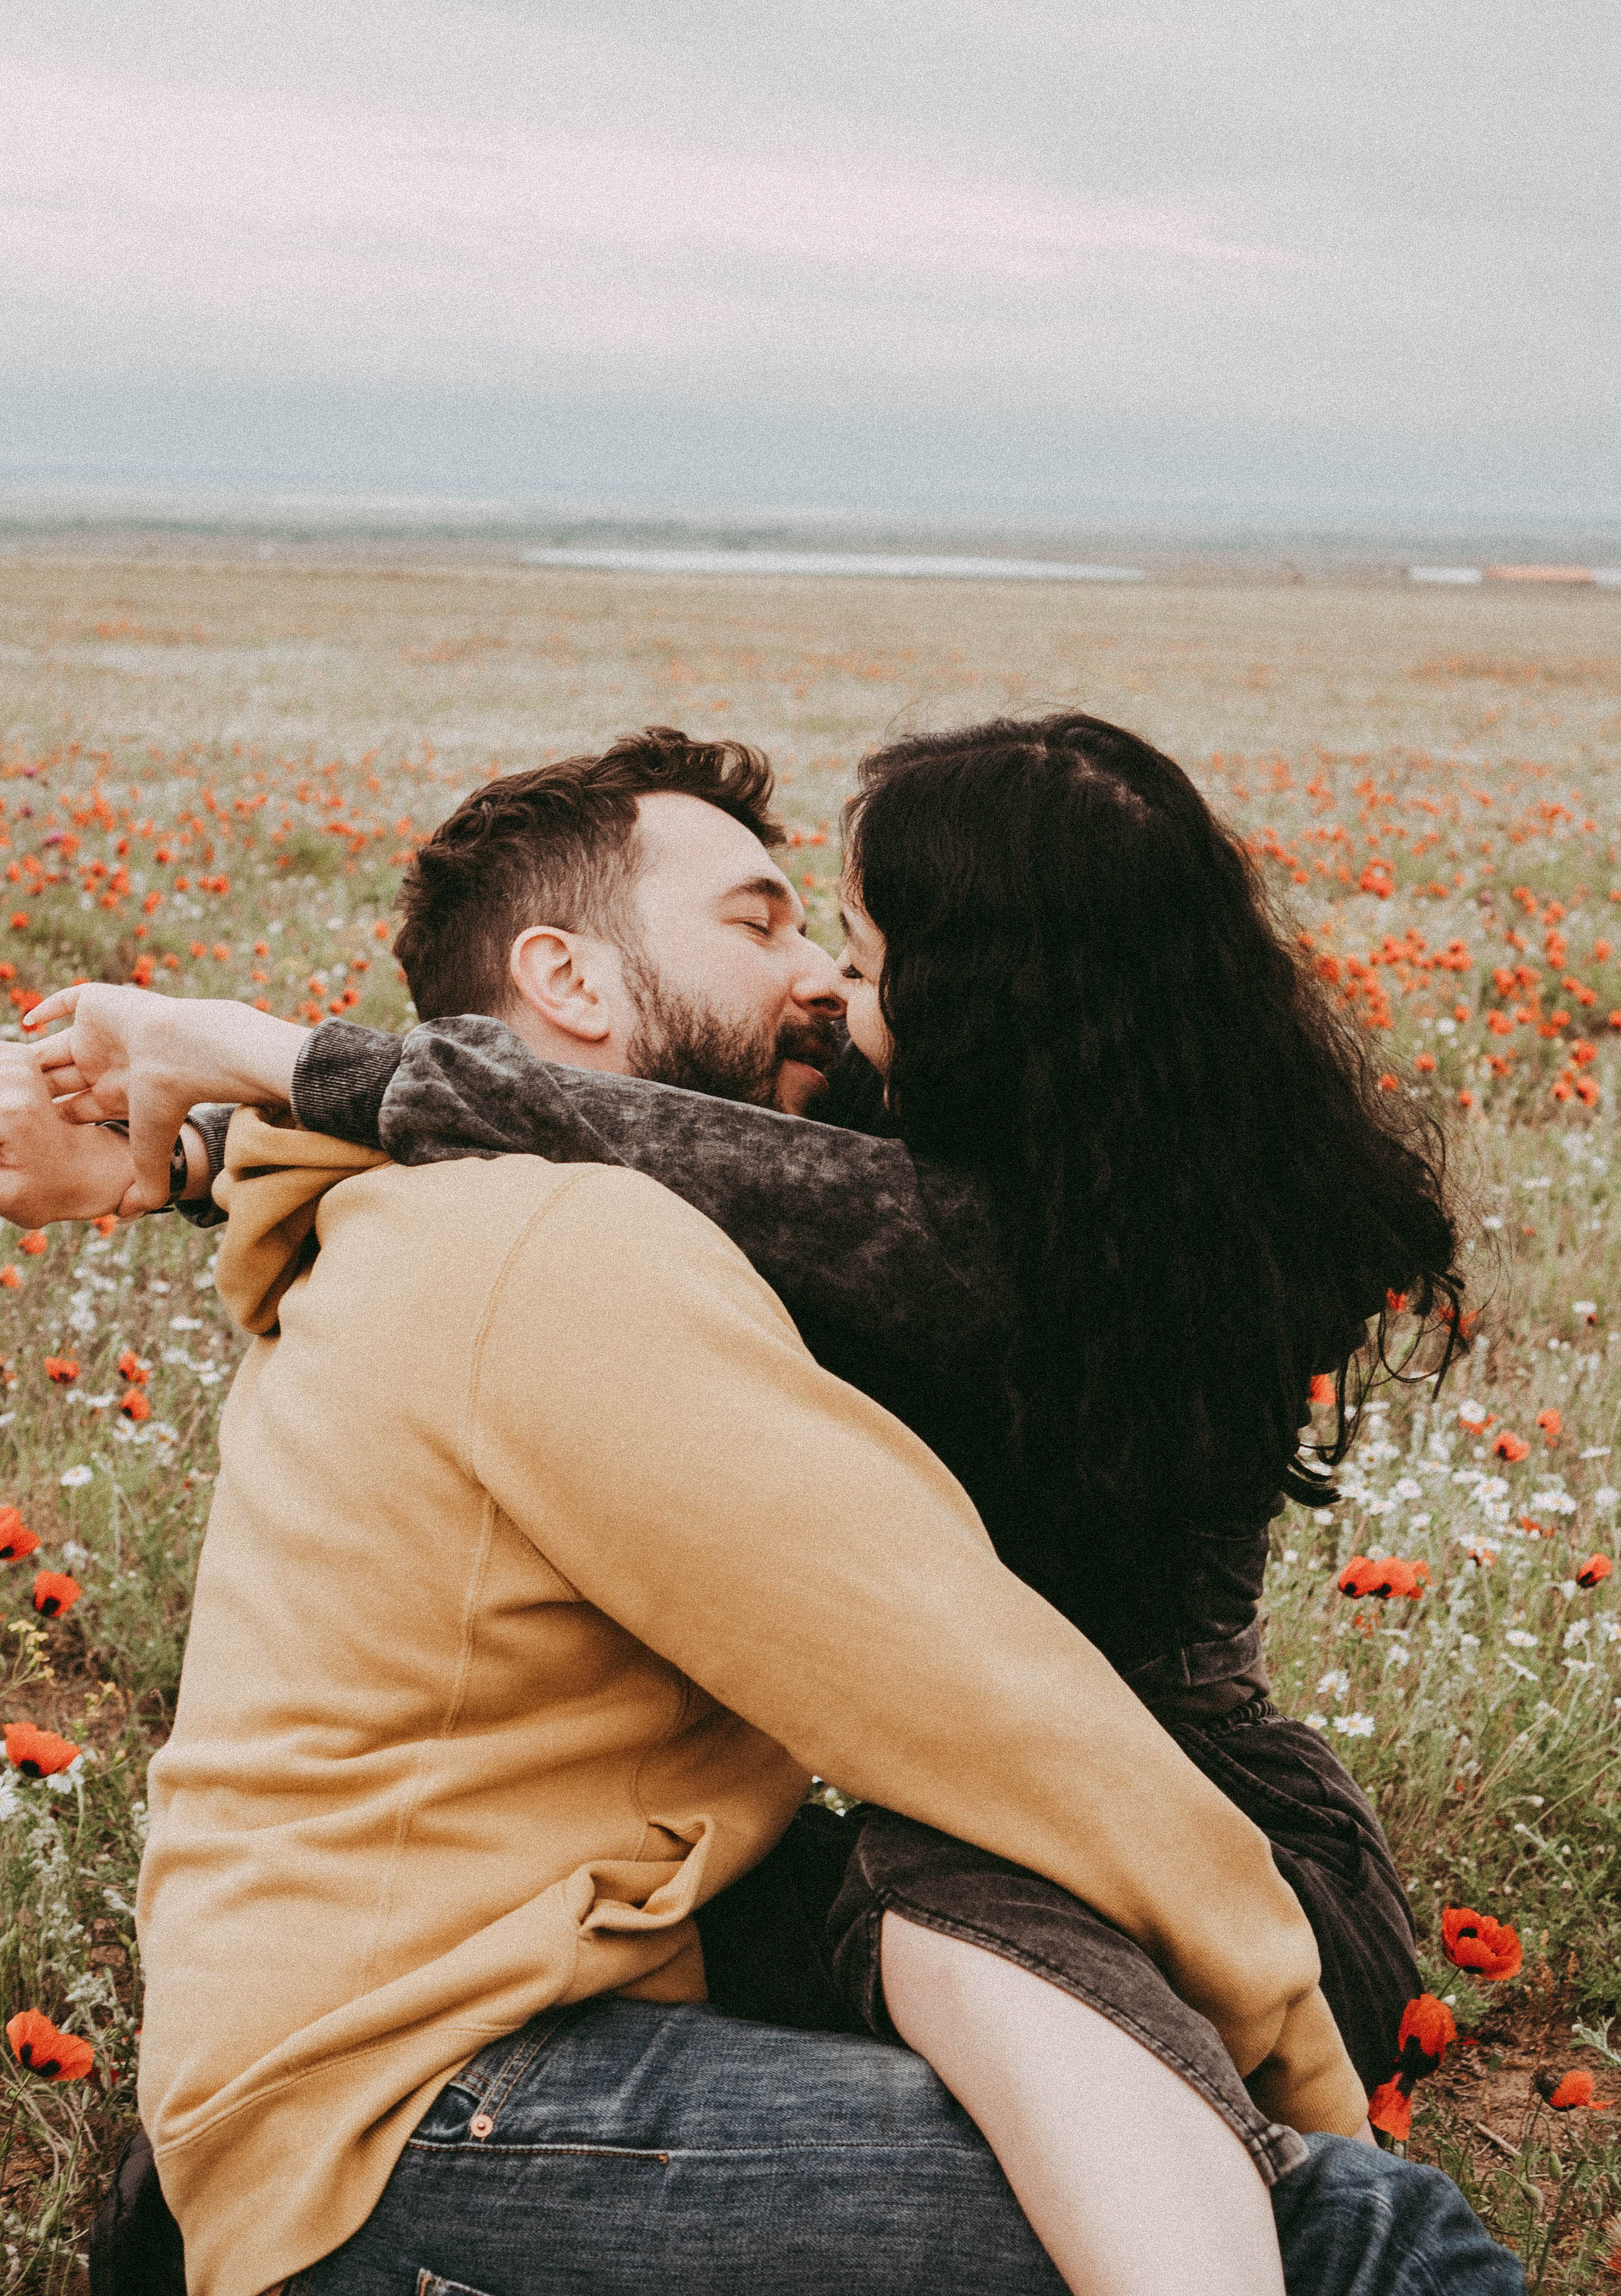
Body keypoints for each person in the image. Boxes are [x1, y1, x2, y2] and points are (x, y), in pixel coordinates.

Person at [4, 729, 1522, 2295]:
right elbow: (968, 1693)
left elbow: (704, 1164)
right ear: (568, 982)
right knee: (1340, 2225)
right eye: (766, 926)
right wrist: (183, 1136)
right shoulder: (563, 1244)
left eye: (850, 951)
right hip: (570, 2027)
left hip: (1138, 1827)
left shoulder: (986, 1235)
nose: (819, 985)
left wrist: (230, 1088)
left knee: (945, 1919)